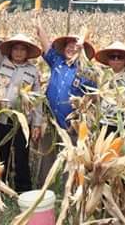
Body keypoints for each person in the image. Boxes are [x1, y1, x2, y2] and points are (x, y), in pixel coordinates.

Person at [0, 15, 43, 193]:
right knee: (1, 153)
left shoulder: (33, 71)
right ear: (11, 50)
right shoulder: (1, 63)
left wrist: (37, 123)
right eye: (15, 49)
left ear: (27, 52)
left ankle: (23, 189)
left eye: (22, 50)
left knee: (22, 156)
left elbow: (37, 99)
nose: (18, 52)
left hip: (23, 121)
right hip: (2, 118)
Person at [33, 20, 96, 184]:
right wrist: (40, 26)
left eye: (76, 46)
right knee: (47, 154)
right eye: (69, 45)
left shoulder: (85, 71)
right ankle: (44, 186)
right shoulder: (57, 62)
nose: (71, 48)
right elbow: (46, 45)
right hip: (51, 119)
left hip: (72, 123)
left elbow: (94, 96)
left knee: (72, 156)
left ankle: (70, 187)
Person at [93, 41, 125, 134]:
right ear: (108, 60)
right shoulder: (100, 75)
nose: (116, 60)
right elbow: (83, 70)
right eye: (112, 57)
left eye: (120, 57)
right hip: (105, 122)